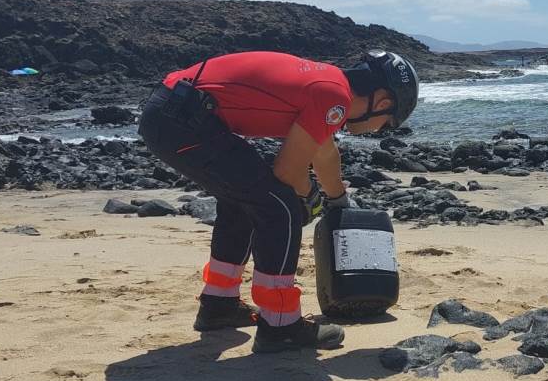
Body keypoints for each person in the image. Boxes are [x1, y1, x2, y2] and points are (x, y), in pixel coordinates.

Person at [137, 50, 419, 353]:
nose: (380, 130)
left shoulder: (330, 85)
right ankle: (281, 325)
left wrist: (338, 200)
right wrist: (308, 197)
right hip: (182, 120)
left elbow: (323, 152)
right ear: (382, 103)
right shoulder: (334, 98)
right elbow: (287, 170)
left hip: (172, 111)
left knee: (244, 201)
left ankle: (219, 305)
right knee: (279, 207)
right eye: (387, 123)